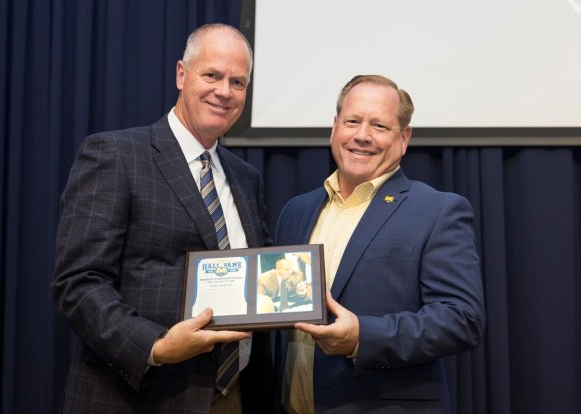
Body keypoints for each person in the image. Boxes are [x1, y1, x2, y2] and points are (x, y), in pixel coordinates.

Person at [52, 23, 272, 414]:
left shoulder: (246, 178)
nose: (224, 91)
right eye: (212, 75)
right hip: (139, 396)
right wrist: (154, 346)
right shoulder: (115, 154)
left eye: (237, 82)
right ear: (181, 75)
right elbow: (79, 283)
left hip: (231, 397)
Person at [273, 75, 486, 413]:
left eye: (380, 126)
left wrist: (362, 337)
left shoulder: (438, 210)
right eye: (352, 121)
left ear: (403, 138)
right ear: (334, 127)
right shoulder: (295, 211)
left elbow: (461, 319)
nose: (362, 135)